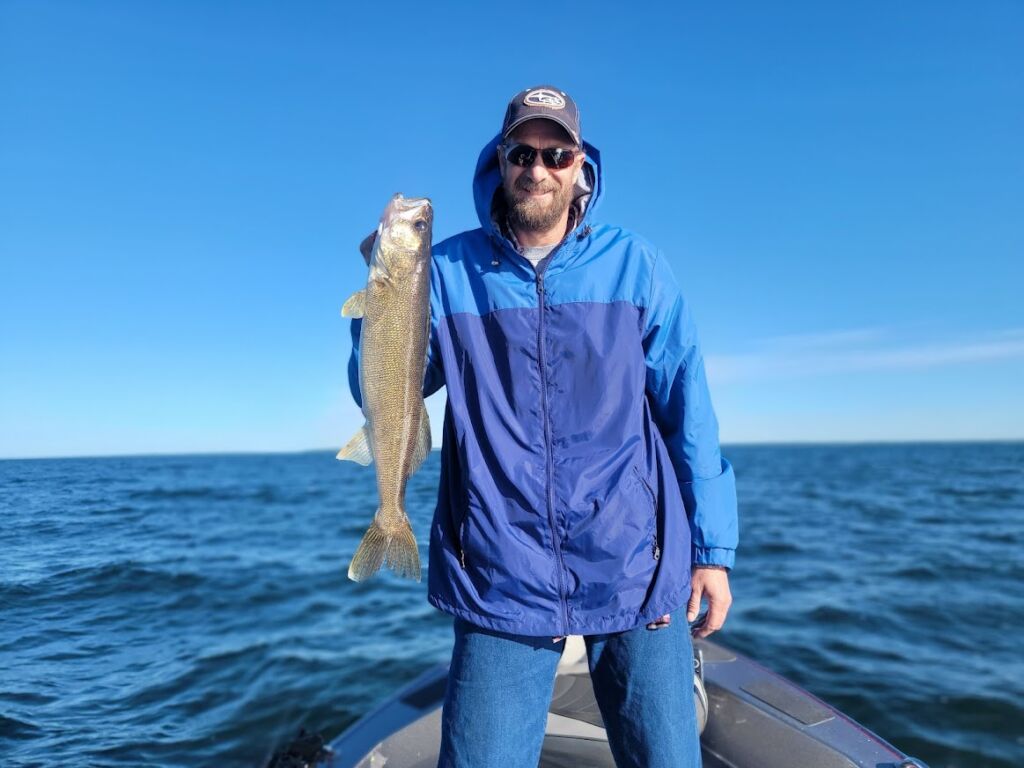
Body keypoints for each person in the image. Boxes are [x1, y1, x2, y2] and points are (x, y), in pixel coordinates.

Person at [347, 84, 738, 768]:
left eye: (557, 153)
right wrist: (377, 299)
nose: (538, 168)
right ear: (500, 161)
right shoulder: (443, 271)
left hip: (635, 562)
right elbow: (383, 388)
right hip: (501, 571)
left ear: (580, 166)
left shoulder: (636, 266)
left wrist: (710, 551)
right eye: (523, 152)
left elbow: (688, 411)